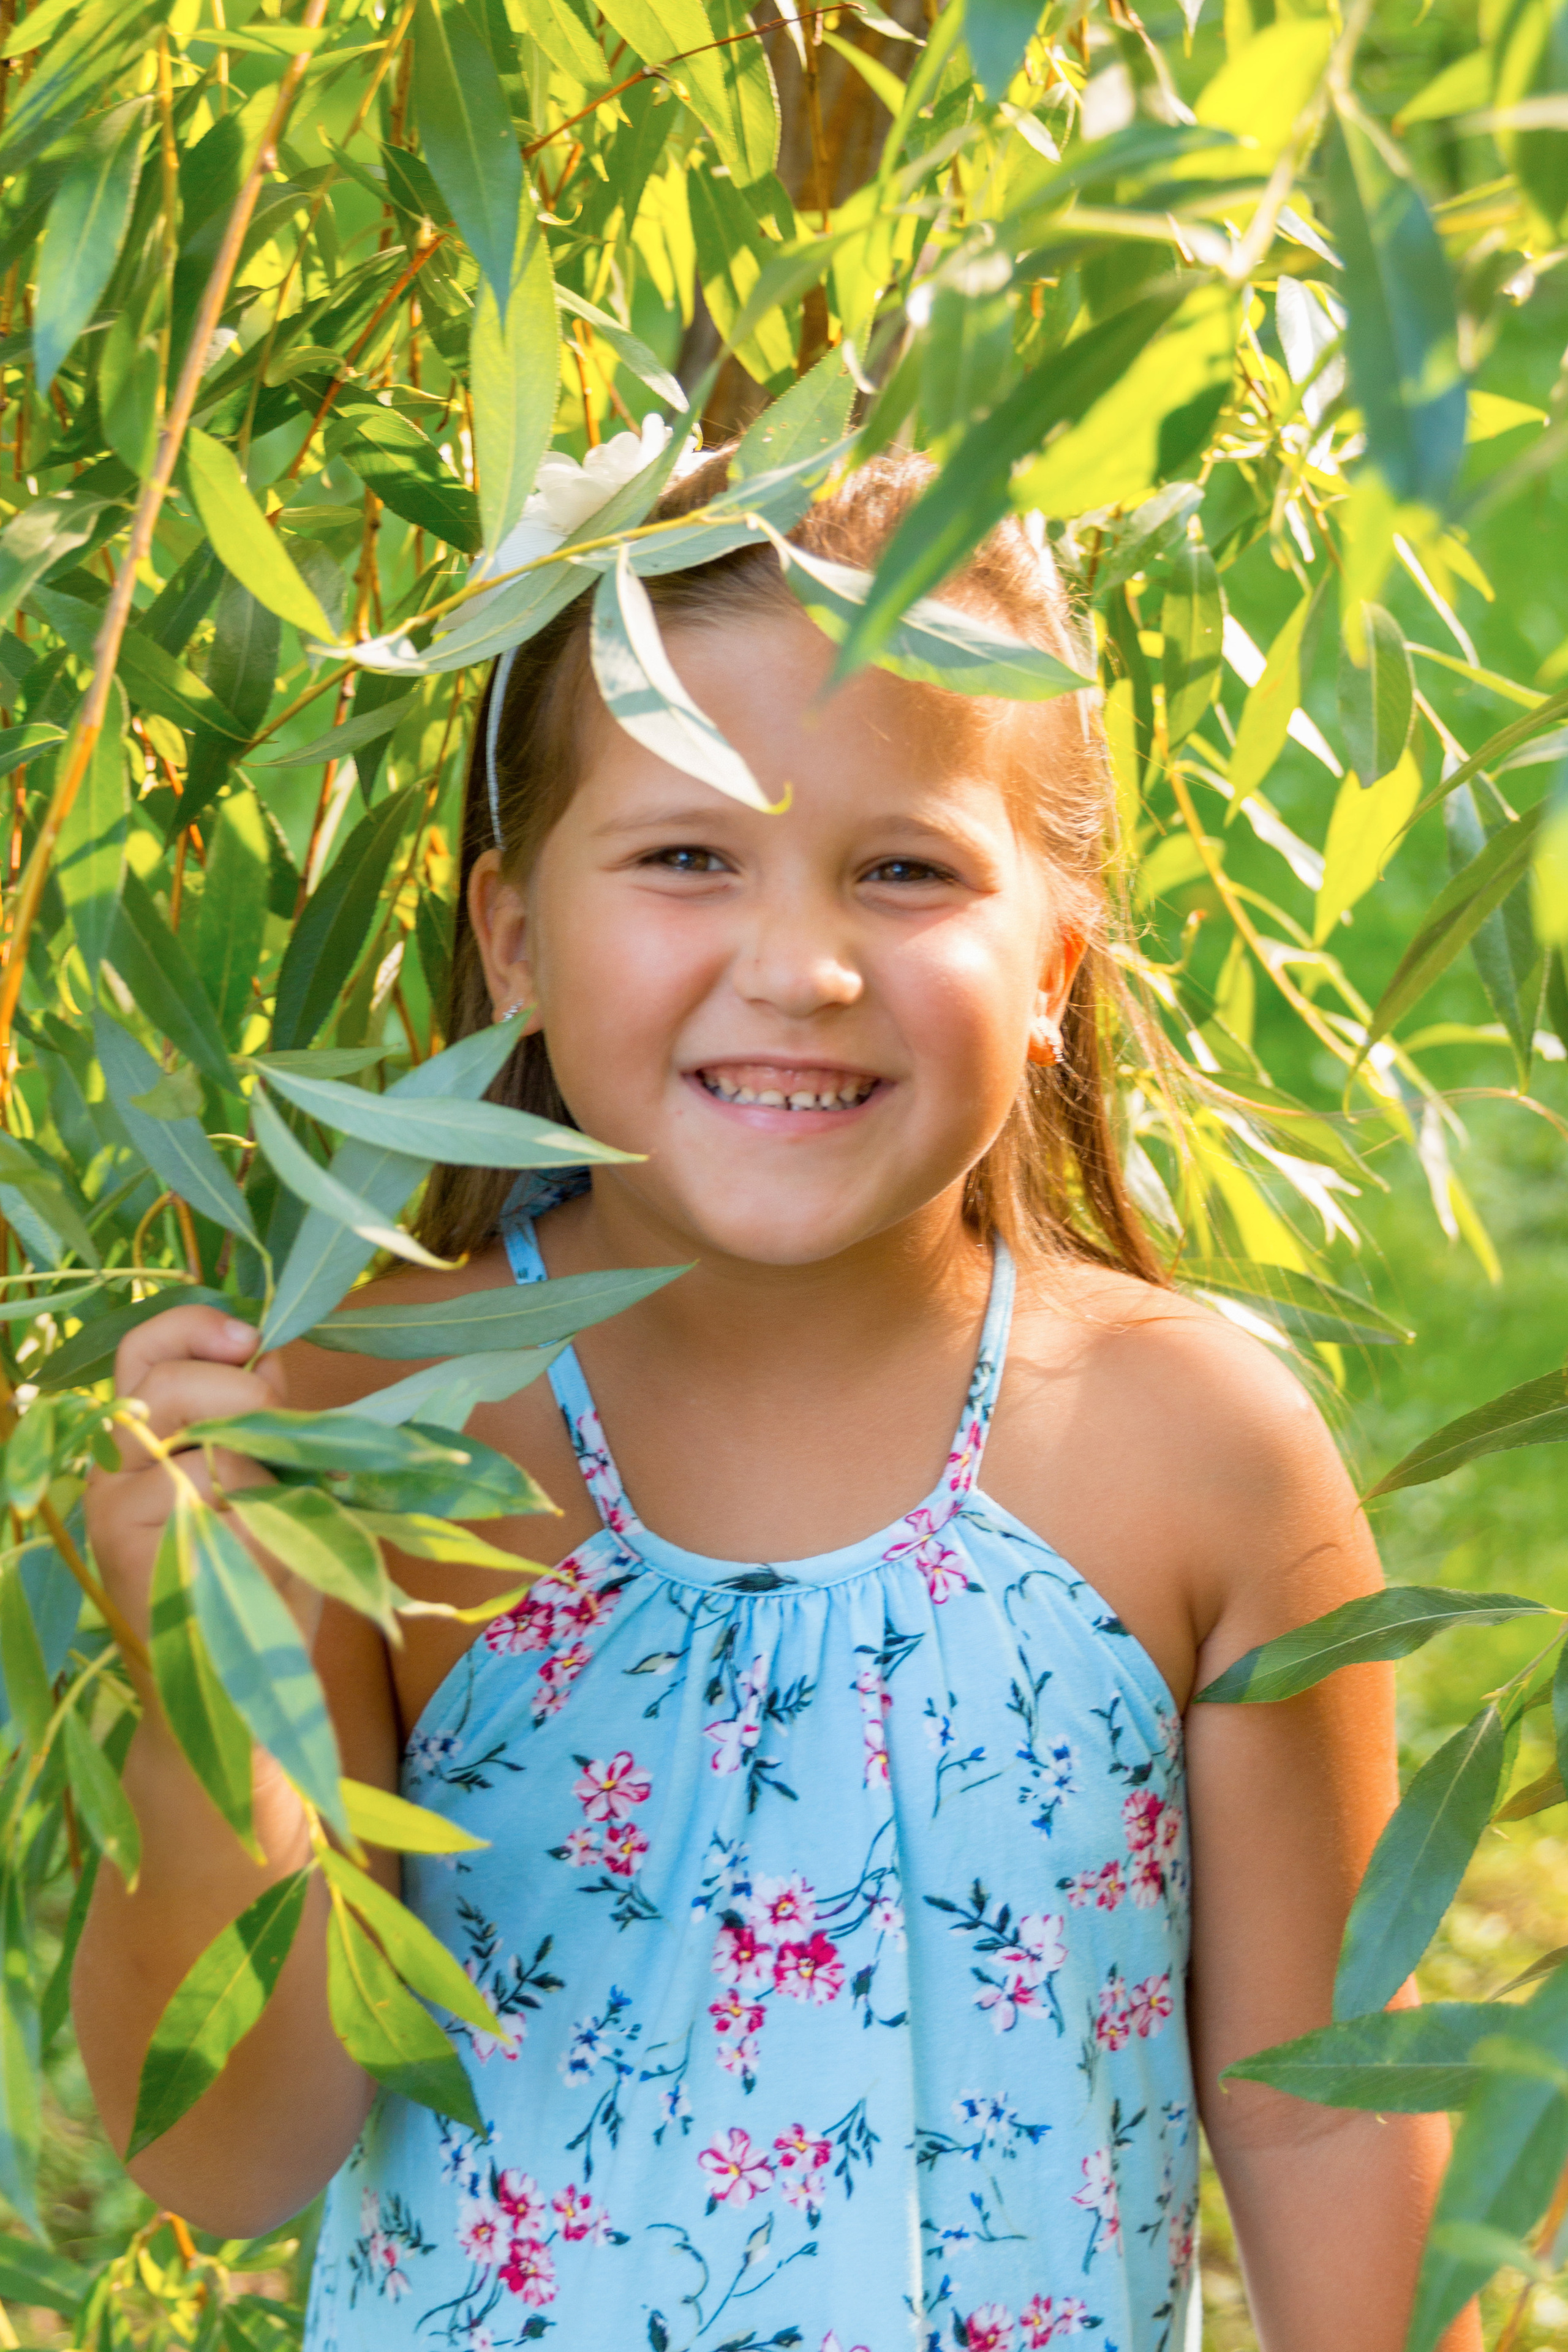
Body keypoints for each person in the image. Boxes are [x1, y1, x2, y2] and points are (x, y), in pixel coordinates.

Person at [75, 448, 1476, 2352]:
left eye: (904, 869)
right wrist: (202, 1689)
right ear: (514, 939)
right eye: (683, 855)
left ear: (1055, 961)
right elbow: (229, 2154)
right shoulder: (357, 1433)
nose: (801, 966)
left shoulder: (1198, 1456)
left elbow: (1325, 2119)